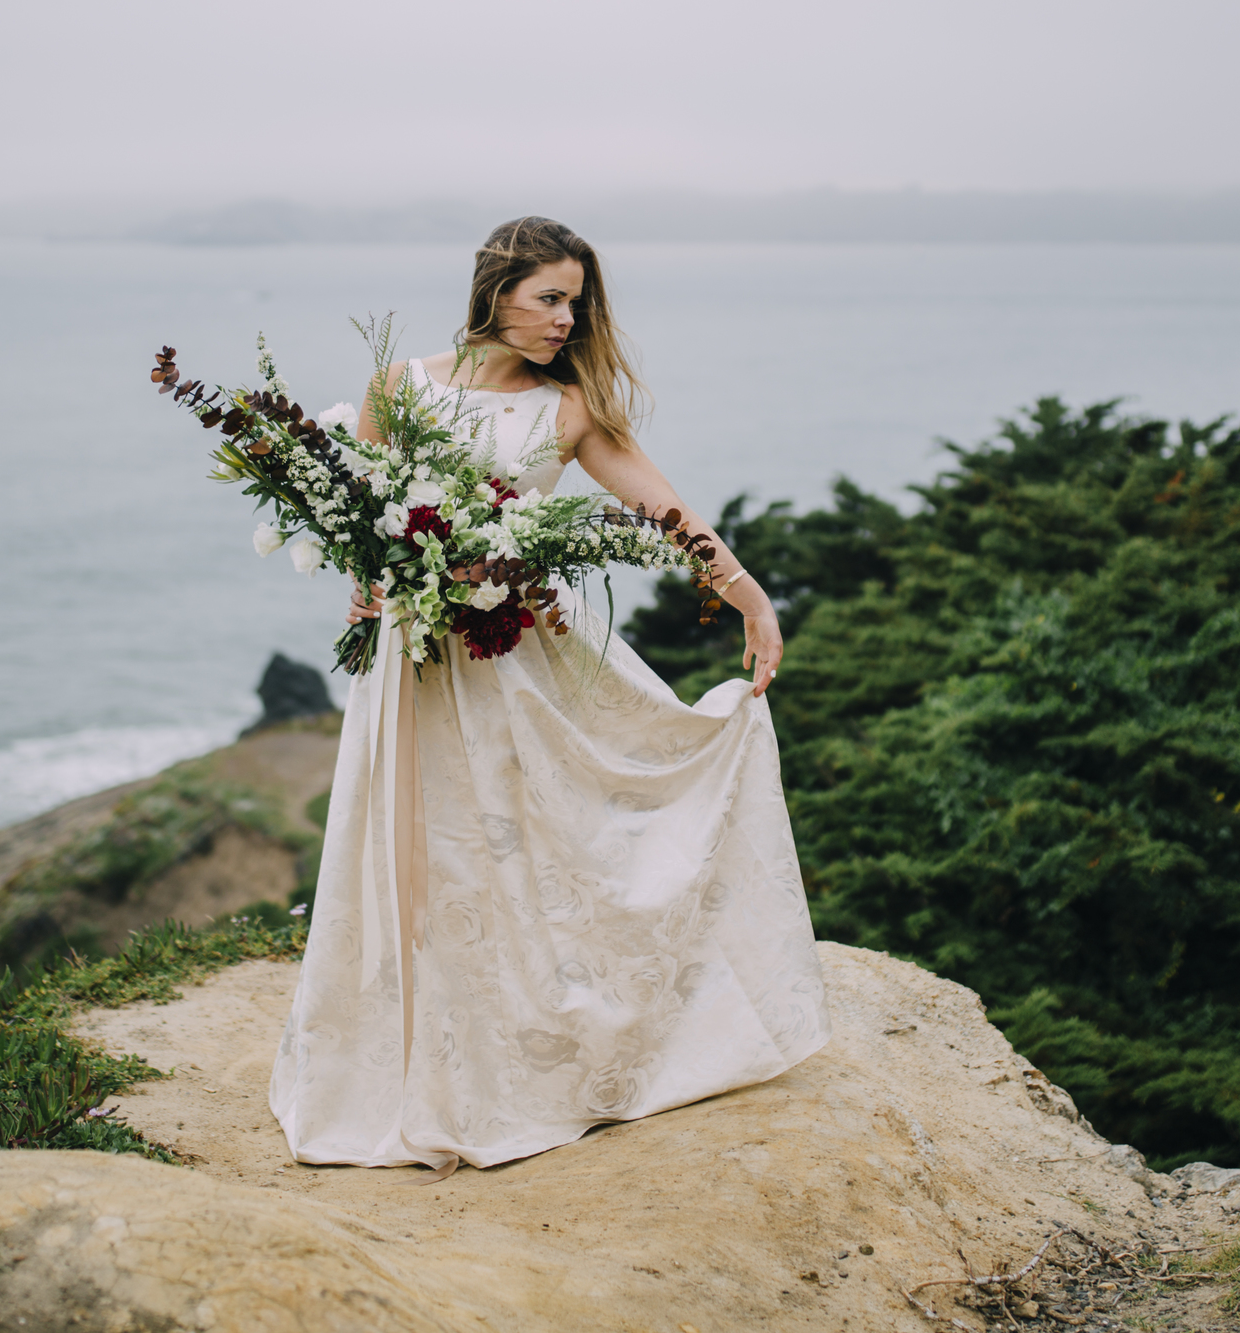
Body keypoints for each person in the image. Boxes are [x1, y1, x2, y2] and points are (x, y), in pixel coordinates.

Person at [267, 217, 827, 1172]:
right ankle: (417, 1067)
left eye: (577, 301)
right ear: (496, 291)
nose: (568, 319)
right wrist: (372, 578)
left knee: (515, 856)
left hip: (520, 658)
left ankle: (530, 1060)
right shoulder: (398, 386)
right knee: (419, 856)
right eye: (550, 298)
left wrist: (749, 595)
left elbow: (663, 507)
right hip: (415, 662)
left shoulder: (566, 409)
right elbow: (364, 517)